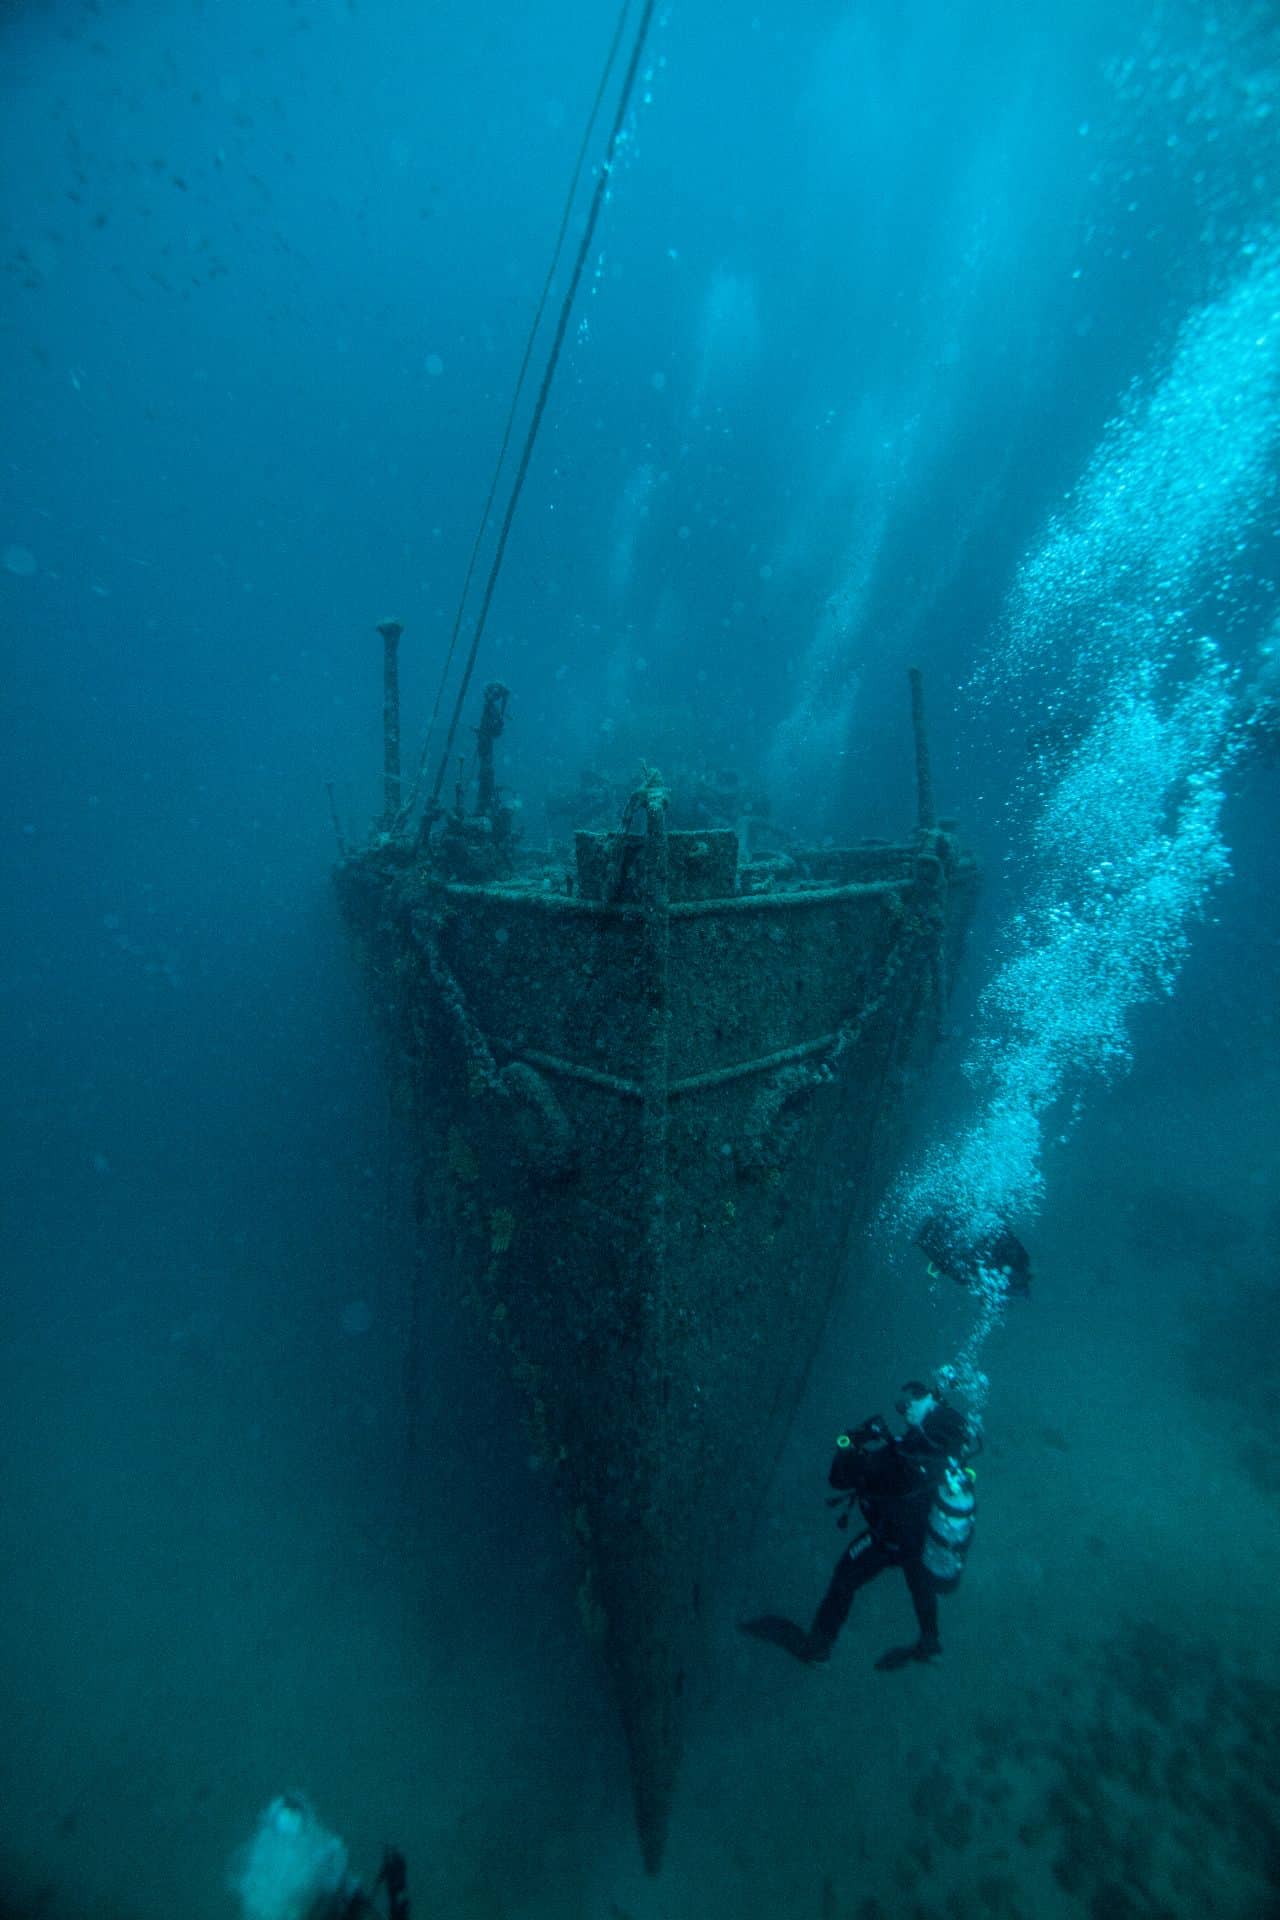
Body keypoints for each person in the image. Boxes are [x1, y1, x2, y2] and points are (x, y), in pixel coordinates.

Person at [741, 1380, 977, 1672]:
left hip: (887, 1540)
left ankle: (820, 1645)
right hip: (921, 1545)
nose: (908, 1406)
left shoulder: (899, 1458)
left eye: (916, 1402)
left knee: (845, 1577)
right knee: (921, 1582)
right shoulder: (947, 1463)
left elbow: (839, 1479)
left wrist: (850, 1441)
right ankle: (930, 1641)